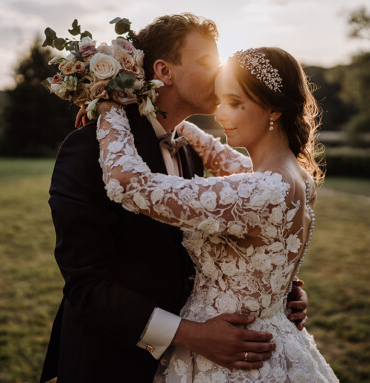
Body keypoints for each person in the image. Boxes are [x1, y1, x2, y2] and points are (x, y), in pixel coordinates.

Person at [40, 14, 308, 383]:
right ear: (164, 70)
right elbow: (86, 286)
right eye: (206, 63)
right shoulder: (89, 150)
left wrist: (275, 291)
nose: (218, 74)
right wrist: (190, 334)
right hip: (112, 362)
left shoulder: (190, 149)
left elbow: (230, 234)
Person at [95, 45, 338, 382]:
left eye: (236, 104)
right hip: (270, 335)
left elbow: (128, 183)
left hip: (231, 359)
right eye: (222, 101)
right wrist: (150, 104)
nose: (221, 116)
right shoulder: (293, 176)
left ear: (275, 109)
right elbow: (212, 151)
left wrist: (107, 105)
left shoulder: (261, 191)